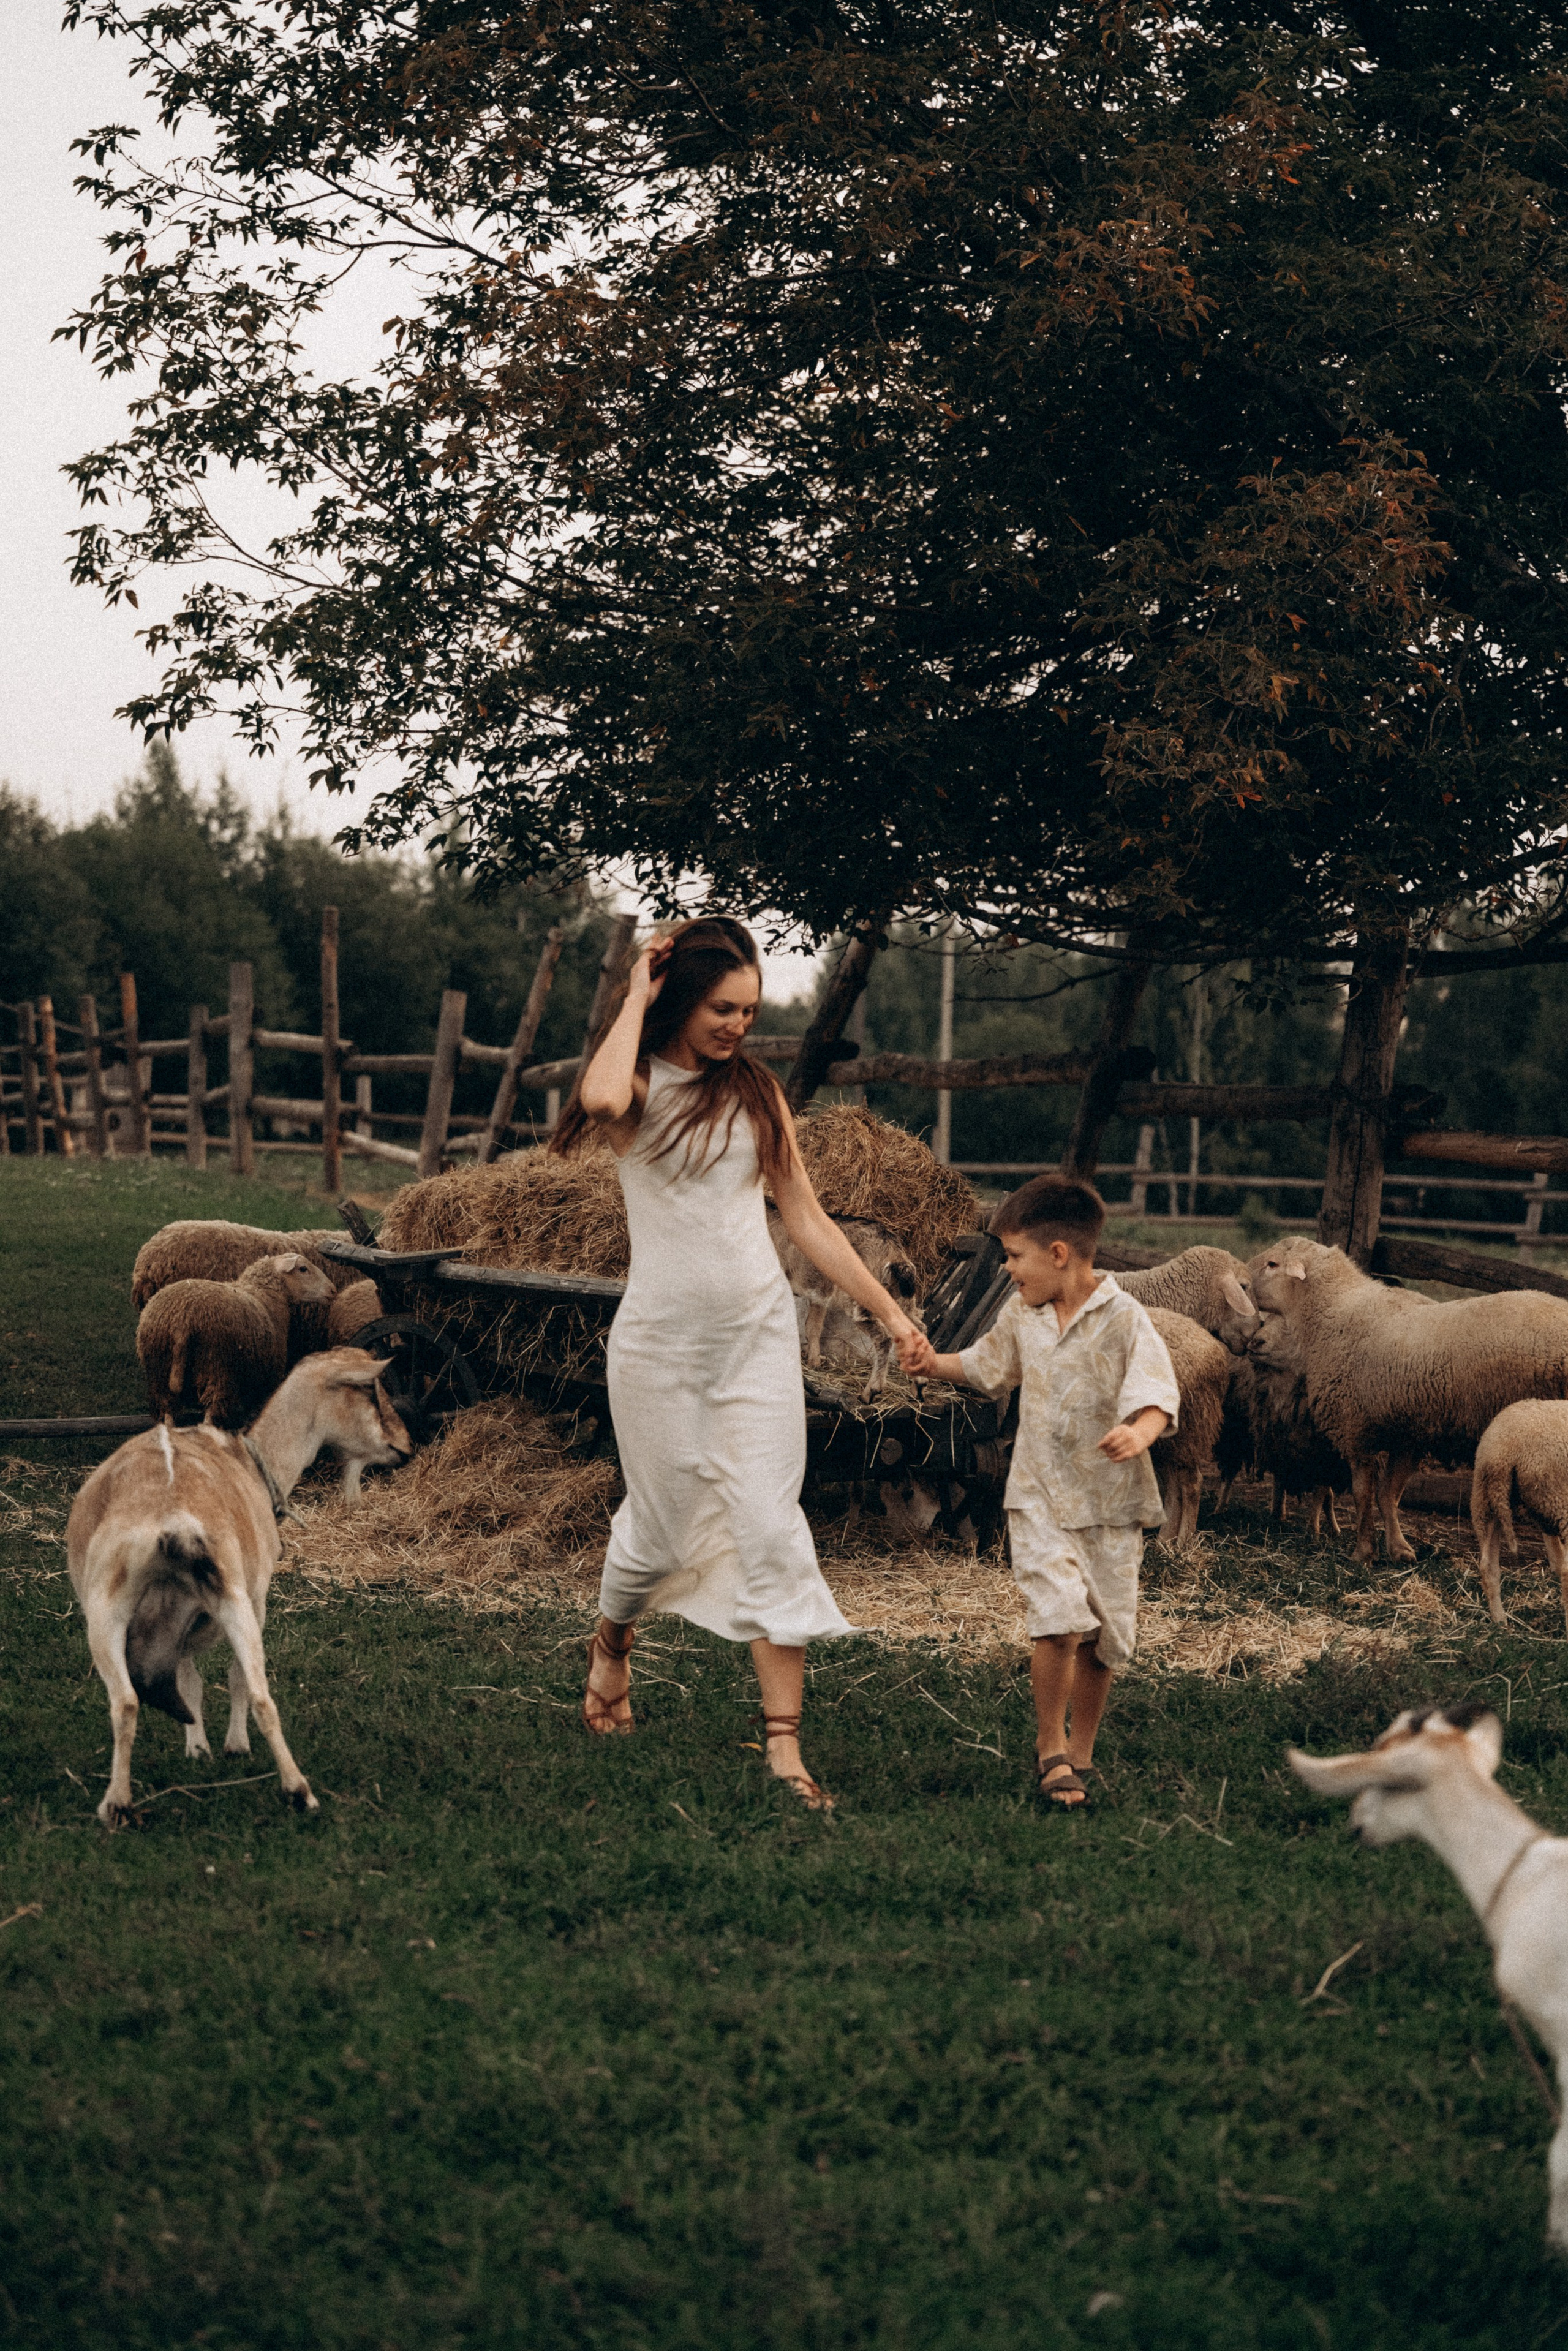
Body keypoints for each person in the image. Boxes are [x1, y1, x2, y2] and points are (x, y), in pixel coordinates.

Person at [552, 916, 925, 1806]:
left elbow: (806, 1217)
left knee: (769, 1524)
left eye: (751, 1011)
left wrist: (888, 1312)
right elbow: (598, 1097)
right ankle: (611, 1645)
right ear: (682, 998)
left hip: (757, 1341)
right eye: (724, 1007)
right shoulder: (637, 1086)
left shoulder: (756, 1093)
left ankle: (785, 1749)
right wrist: (636, 989)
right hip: (658, 1349)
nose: (738, 1026)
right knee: (659, 1528)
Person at [907, 1174, 1178, 1811]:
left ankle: (1081, 1751)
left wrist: (1140, 1432)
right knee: (1057, 1620)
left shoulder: (1125, 1318)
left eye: (1014, 1256)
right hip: (1038, 1497)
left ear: (1059, 1254)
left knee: (1104, 1638)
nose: (1007, 1268)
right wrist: (931, 1363)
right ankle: (1049, 1746)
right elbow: (984, 1365)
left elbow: (1158, 1393)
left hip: (1110, 1506)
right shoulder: (1020, 1316)